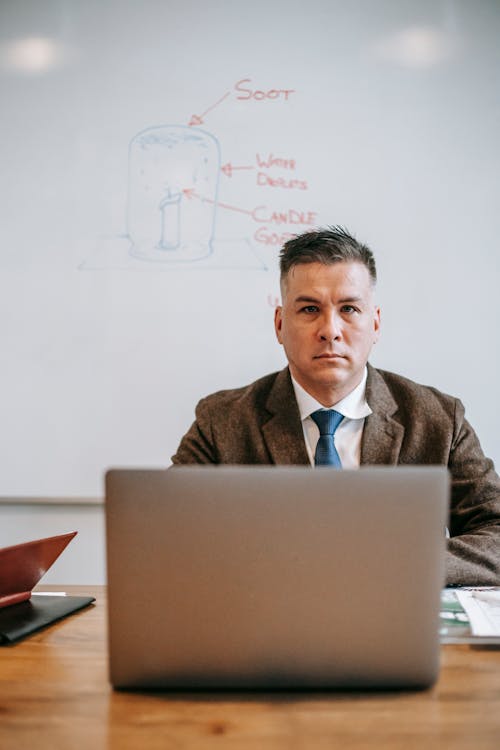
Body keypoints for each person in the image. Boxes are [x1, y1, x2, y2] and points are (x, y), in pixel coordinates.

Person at [172, 226, 500, 586]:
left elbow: (495, 531)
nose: (330, 330)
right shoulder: (221, 420)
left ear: (374, 323)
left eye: (349, 309)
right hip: (268, 622)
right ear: (280, 325)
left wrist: (408, 563)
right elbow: (167, 527)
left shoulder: (439, 418)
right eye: (310, 309)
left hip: (393, 620)